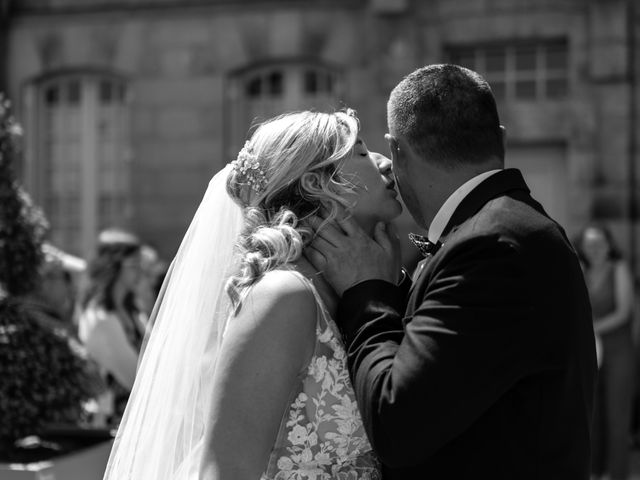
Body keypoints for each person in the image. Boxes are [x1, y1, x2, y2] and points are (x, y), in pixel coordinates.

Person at [306, 64, 597, 479]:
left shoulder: (492, 246)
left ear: (399, 150)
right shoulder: (509, 228)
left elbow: (398, 425)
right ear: (501, 139)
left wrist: (365, 293)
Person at [103, 109, 403, 479]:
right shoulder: (284, 296)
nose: (385, 162)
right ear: (316, 183)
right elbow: (226, 470)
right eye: (360, 152)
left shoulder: (349, 290)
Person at [576, 224, 635, 480]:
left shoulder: (618, 269)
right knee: (592, 418)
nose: (595, 249)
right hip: (592, 351)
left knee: (617, 420)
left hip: (618, 351)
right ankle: (595, 473)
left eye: (600, 243)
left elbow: (624, 312)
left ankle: (618, 475)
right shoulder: (581, 271)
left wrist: (591, 328)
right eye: (590, 244)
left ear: (609, 245)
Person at [78, 228, 146, 425]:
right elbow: (135, 376)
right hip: (114, 425)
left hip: (135, 418)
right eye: (134, 265)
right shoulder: (99, 318)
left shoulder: (132, 311)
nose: (140, 273)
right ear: (113, 266)